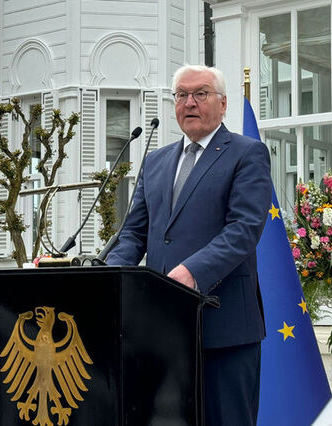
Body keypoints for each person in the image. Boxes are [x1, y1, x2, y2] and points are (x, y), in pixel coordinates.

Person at [106, 64, 271, 425]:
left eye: (200, 94)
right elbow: (134, 234)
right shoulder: (155, 161)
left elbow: (243, 229)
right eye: (181, 94)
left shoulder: (247, 154)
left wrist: (193, 272)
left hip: (224, 328)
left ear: (223, 104)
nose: (189, 103)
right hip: (162, 331)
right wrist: (107, 276)